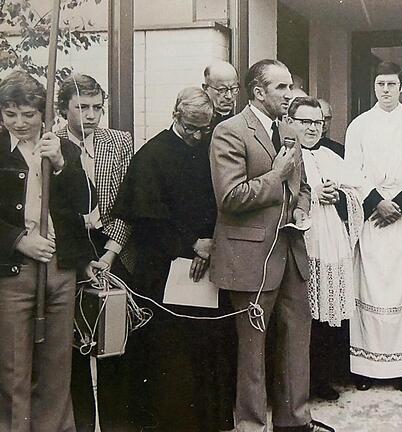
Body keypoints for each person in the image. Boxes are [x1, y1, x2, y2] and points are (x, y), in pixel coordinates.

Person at [208, 59, 334, 432]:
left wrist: (301, 207)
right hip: (251, 260)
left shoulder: (289, 130)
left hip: (291, 254)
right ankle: (250, 425)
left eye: (290, 87)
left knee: (296, 344)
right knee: (253, 352)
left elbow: (305, 185)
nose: (290, 95)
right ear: (258, 92)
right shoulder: (229, 132)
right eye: (281, 88)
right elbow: (230, 197)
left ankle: (295, 422)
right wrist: (276, 175)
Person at [112, 87, 235, 432]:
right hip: (163, 270)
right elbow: (146, 215)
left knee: (205, 349)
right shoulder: (151, 155)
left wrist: (209, 242)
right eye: (192, 127)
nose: (197, 136)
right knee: (168, 355)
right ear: (175, 114)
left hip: (206, 263)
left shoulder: (209, 149)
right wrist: (190, 244)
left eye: (204, 128)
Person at [0, 70, 90, 432]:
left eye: (28, 114)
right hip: (13, 271)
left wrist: (63, 165)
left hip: (60, 268)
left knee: (57, 366)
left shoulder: (63, 146)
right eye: (9, 114)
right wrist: (18, 239)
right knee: (14, 367)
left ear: (43, 112)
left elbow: (87, 202)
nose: (19, 123)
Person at [345, 61, 402, 392]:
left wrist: (400, 205)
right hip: (372, 222)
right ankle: (367, 367)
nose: (385, 90)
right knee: (370, 289)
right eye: (380, 84)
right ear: (374, 87)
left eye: (391, 84)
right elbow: (352, 170)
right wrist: (375, 203)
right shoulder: (359, 125)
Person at [55, 73, 137, 431]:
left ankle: (115, 420)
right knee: (74, 343)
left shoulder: (119, 143)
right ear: (63, 109)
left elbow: (127, 202)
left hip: (111, 249)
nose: (90, 115)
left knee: (113, 340)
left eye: (97, 109)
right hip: (69, 252)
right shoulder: (51, 145)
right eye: (81, 108)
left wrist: (110, 253)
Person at [286, 96, 363, 401]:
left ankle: (323, 377)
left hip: (331, 241)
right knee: (303, 314)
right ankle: (298, 384)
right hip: (303, 242)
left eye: (317, 122)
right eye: (306, 122)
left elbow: (357, 191)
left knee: (328, 314)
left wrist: (340, 196)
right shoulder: (285, 155)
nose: (313, 128)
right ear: (291, 122)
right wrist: (314, 195)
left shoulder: (332, 156)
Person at [203, 60, 240, 128]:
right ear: (206, 88)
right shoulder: (197, 123)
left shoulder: (240, 124)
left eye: (233, 89)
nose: (229, 96)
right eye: (222, 90)